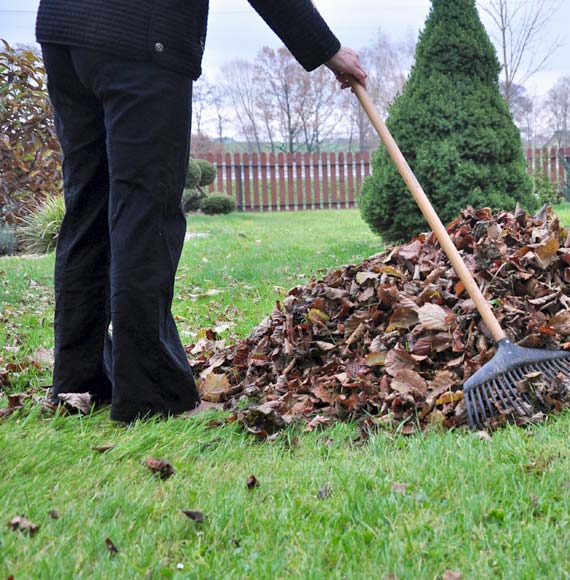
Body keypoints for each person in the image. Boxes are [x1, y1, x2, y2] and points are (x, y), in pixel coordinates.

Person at [35, 0, 368, 422]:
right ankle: (150, 395)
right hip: (142, 38)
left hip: (64, 32)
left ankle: (78, 385)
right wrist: (328, 49)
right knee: (144, 213)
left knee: (88, 209)